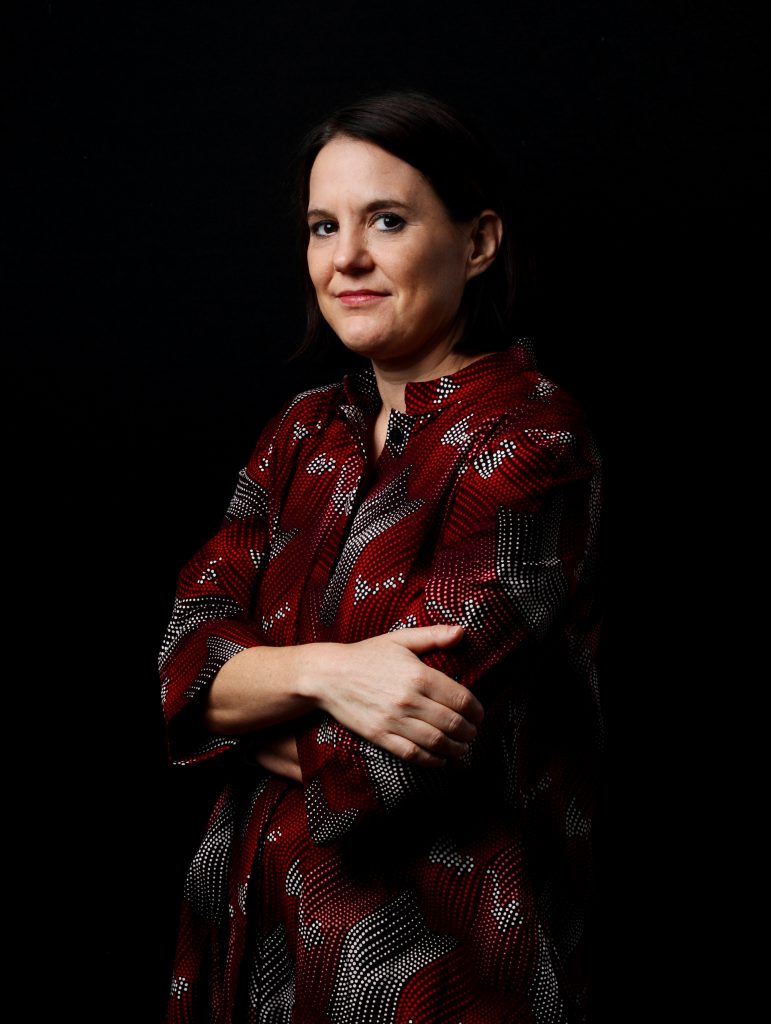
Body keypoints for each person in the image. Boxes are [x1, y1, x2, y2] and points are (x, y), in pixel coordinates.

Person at [158, 88, 604, 1024]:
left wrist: (239, 710)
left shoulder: (531, 443)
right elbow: (179, 660)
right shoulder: (303, 431)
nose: (346, 257)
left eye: (386, 220)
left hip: (439, 976)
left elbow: (388, 756)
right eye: (324, 226)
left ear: (477, 242)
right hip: (245, 952)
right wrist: (329, 672)